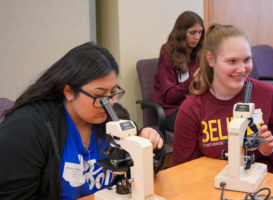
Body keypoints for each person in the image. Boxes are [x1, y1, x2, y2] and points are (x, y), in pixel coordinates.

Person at [0, 42, 165, 200]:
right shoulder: (27, 130)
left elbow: (144, 170)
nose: (109, 103)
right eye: (100, 95)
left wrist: (151, 144)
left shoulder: (114, 116)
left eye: (113, 92)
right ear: (69, 92)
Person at [172, 23, 273, 177]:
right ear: (211, 60)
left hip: (268, 185)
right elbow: (182, 171)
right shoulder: (192, 109)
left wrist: (272, 149)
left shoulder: (270, 96)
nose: (241, 69)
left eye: (247, 59)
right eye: (232, 61)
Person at [152, 11, 205, 132]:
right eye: (192, 32)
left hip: (194, 106)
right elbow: (170, 97)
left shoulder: (199, 53)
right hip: (172, 110)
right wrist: (193, 79)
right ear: (181, 33)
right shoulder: (167, 55)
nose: (197, 37)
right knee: (200, 128)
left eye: (200, 32)